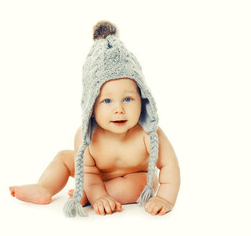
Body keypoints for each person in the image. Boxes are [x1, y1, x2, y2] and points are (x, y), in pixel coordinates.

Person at [9, 21, 180, 217]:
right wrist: (97, 193)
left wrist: (165, 197)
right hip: (94, 176)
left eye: (128, 99)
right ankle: (45, 187)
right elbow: (88, 172)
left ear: (142, 99)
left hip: (135, 176)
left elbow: (169, 165)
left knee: (140, 185)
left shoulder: (148, 133)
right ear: (91, 106)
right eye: (107, 100)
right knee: (64, 158)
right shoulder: (87, 135)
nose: (119, 109)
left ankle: (87, 196)